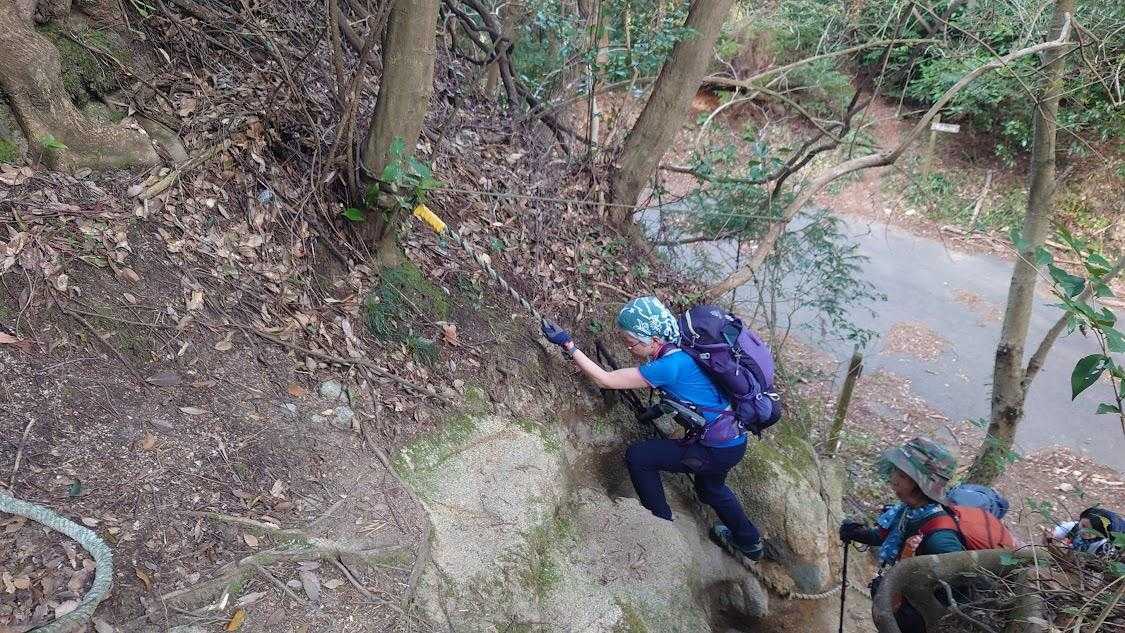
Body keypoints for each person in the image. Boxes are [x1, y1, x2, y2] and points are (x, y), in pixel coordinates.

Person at [541, 296, 764, 560]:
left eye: (631, 341)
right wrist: (658, 410)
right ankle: (750, 542)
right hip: (733, 440)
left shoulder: (669, 365)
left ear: (654, 339)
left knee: (640, 457)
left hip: (714, 449)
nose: (628, 347)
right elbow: (696, 392)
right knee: (711, 489)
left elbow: (606, 379)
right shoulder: (684, 349)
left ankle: (660, 524)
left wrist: (568, 345)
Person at [838, 437, 964, 633]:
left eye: (901, 474)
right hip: (903, 604)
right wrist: (856, 533)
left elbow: (960, 583)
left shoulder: (940, 536)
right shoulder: (909, 510)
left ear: (917, 483)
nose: (893, 477)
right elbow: (884, 537)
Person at [1043, 506, 1124, 555]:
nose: (1084, 531)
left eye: (1091, 531)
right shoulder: (1074, 527)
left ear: (1101, 533)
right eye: (1083, 525)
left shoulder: (1104, 547)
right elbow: (1055, 533)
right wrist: (1049, 536)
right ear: (1080, 520)